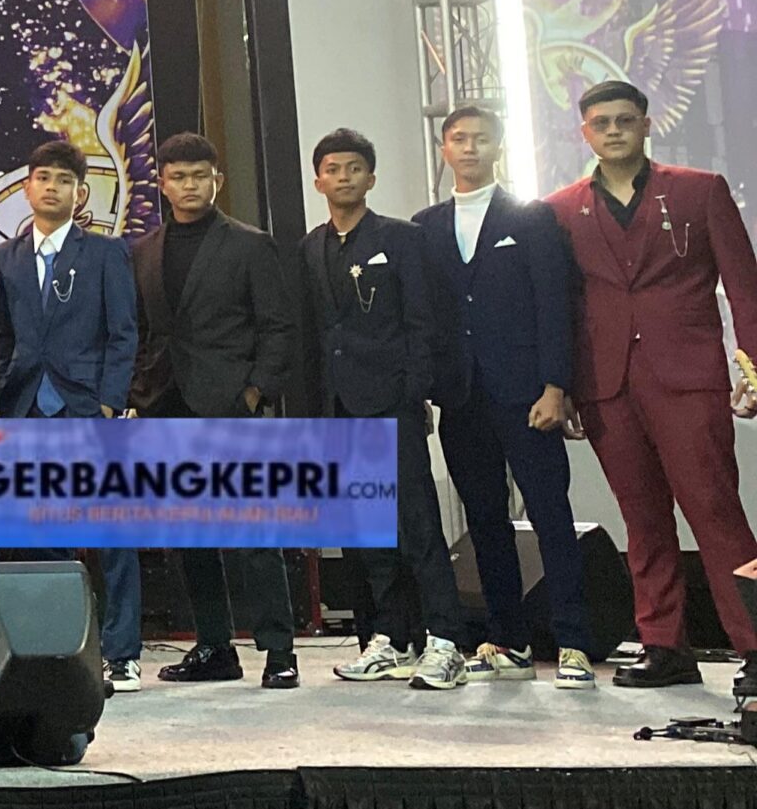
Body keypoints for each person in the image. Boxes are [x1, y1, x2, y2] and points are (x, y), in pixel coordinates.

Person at [544, 80, 757, 689]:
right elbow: (561, 303)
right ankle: (664, 645)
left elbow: (744, 285)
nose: (613, 131)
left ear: (646, 124)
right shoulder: (560, 209)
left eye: (624, 120)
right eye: (601, 123)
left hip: (688, 377)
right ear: (584, 132)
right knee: (642, 519)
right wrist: (564, 383)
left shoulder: (699, 190)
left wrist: (753, 366)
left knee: (716, 512)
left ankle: (755, 644)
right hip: (606, 382)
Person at [412, 106, 596, 689]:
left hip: (526, 394)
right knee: (485, 520)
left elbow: (554, 304)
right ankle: (507, 638)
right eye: (459, 139)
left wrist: (556, 386)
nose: (470, 147)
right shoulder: (425, 226)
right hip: (460, 397)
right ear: (443, 148)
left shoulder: (531, 217)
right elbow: (425, 315)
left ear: (498, 146)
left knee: (550, 514)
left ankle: (573, 642)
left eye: (481, 138)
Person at [127, 133, 302, 690]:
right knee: (189, 536)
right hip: (166, 404)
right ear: (162, 183)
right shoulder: (144, 249)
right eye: (178, 177)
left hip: (229, 405)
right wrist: (139, 393)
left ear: (216, 181)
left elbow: (279, 327)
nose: (190, 186)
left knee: (253, 533)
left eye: (199, 176)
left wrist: (254, 393)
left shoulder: (250, 244)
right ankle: (214, 648)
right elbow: (142, 330)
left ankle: (279, 651)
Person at [301, 129, 470, 690]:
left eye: (354, 168)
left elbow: (423, 322)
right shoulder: (311, 247)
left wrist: (413, 393)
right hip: (338, 407)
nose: (343, 177)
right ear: (318, 180)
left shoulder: (401, 238)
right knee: (365, 531)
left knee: (417, 524)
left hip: (391, 401)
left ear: (370, 178)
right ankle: (392, 638)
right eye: (333, 168)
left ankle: (445, 640)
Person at [0, 140, 142, 692]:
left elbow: (124, 333)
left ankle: (122, 653)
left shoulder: (105, 252)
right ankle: (56, 643)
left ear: (80, 193)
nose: (51, 187)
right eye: (42, 177)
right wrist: (9, 391)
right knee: (41, 533)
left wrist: (109, 401)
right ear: (27, 187)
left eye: (63, 179)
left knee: (111, 533)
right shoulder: (7, 255)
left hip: (87, 406)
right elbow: (6, 335)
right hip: (28, 406)